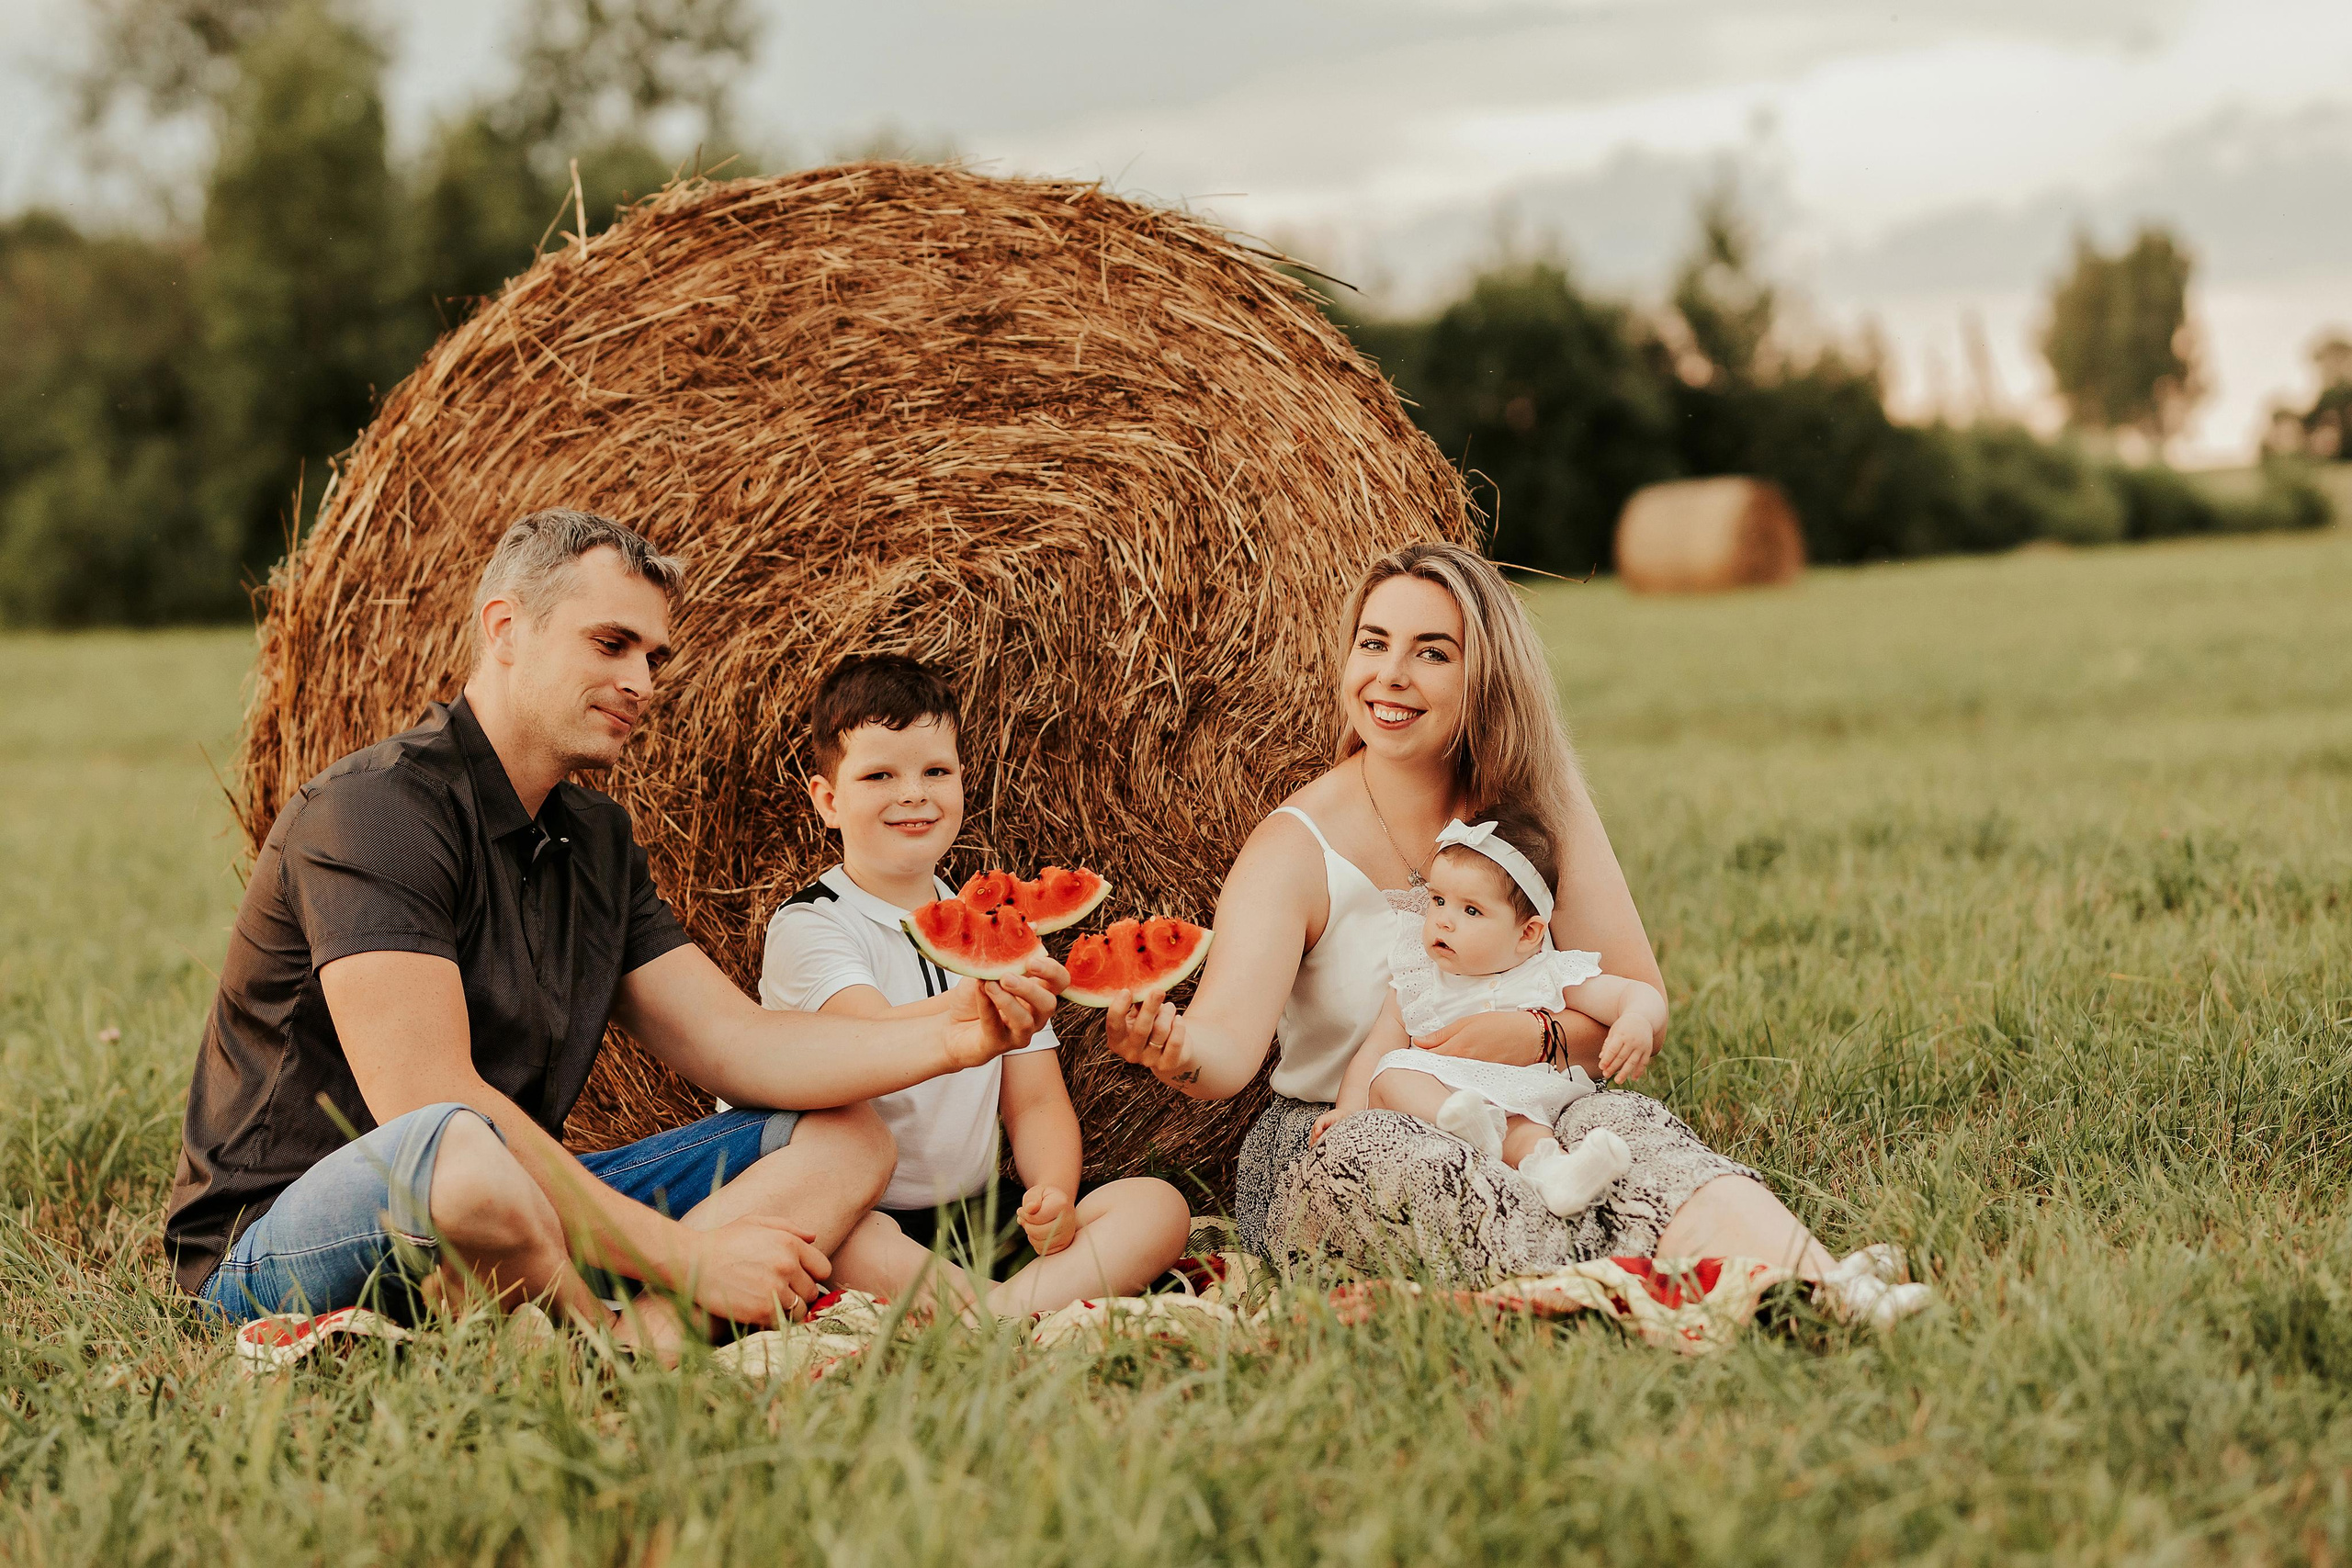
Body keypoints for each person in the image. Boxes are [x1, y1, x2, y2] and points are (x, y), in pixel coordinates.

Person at [165, 510, 1067, 1357]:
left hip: (513, 1207)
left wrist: (955, 1033)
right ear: (505, 629)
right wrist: (693, 1260)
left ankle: (598, 1338)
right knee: (467, 1151)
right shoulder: (372, 812)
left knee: (849, 1140)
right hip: (286, 1240)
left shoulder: (593, 841)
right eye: (610, 645)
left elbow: (738, 1042)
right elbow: (424, 1097)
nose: (640, 682)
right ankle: (620, 1321)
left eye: (653, 656)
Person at [1097, 540, 1929, 1327]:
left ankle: (1821, 1281)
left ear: (1483, 676)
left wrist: (1529, 1035)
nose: (1390, 675)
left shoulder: (1536, 810)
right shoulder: (1294, 847)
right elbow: (1227, 1050)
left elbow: (1635, 1008)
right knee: (1435, 1162)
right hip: (1341, 1129)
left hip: (1529, 1100)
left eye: (1432, 651)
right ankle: (1697, 1285)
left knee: (1632, 1130)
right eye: (1373, 642)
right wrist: (1172, 1046)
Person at [759, 654, 1191, 1315]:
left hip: (972, 1218)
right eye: (880, 774)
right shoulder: (813, 924)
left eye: (936, 771)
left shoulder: (997, 928)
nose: (913, 793)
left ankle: (986, 1312)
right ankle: (1015, 1313)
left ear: (963, 781)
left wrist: (1052, 1192)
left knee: (1158, 1206)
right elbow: (868, 1045)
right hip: (864, 1212)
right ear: (828, 800)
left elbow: (1036, 1103)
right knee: (830, 1236)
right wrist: (978, 1000)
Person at [1309, 807, 1652, 1220]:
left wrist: (1635, 1019)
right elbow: (1376, 1047)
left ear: (1527, 934)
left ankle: (1558, 1174)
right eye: (1437, 900)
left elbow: (1632, 994)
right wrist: (1347, 1111)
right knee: (1392, 1068)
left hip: (1517, 1094)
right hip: (1442, 1100)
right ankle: (1460, 1124)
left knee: (1528, 1135)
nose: (1443, 921)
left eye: (1471, 910)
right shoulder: (1421, 978)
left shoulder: (1544, 973)